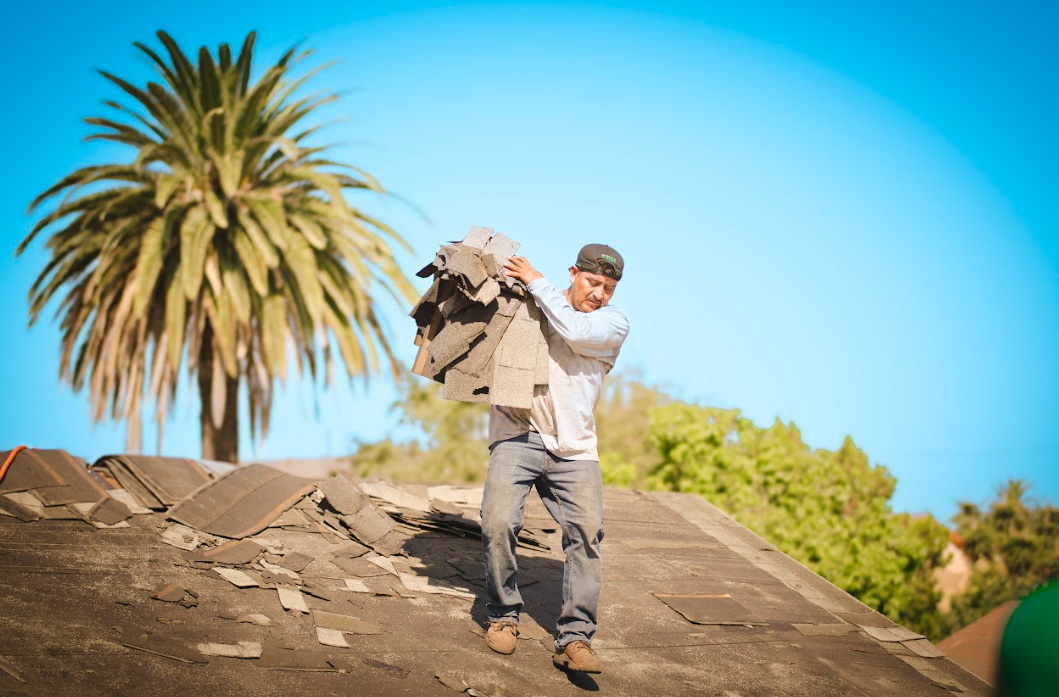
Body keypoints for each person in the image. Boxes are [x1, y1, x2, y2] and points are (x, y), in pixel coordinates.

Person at [479, 243, 630, 674]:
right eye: (592, 282)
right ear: (574, 273)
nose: (599, 293)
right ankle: (503, 615)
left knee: (586, 534)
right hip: (518, 433)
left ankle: (575, 637)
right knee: (497, 522)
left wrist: (535, 281)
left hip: (576, 449)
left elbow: (576, 333)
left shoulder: (611, 323)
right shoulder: (533, 305)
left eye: (609, 287)